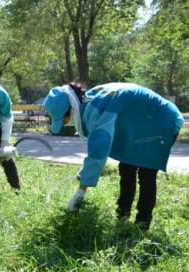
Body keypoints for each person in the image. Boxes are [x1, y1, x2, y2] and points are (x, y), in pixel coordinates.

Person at [44, 82, 183, 230]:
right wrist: (85, 171)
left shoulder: (98, 111)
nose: (65, 124)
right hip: (140, 125)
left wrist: (81, 190)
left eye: (63, 120)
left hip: (161, 121)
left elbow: (98, 152)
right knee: (126, 168)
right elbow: (97, 149)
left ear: (71, 109)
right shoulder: (89, 102)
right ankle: (122, 214)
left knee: (146, 174)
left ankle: (142, 224)